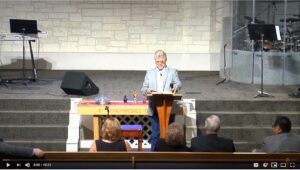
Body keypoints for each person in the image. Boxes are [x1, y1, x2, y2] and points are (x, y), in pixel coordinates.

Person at [141, 50, 182, 151]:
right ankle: (153, 158)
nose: (160, 63)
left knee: (170, 134)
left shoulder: (172, 71)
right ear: (155, 61)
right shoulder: (149, 72)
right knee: (156, 134)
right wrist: (147, 90)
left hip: (169, 107)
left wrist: (175, 87)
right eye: (157, 61)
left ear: (166, 60)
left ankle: (170, 156)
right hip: (155, 107)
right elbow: (143, 89)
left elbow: (179, 84)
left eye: (162, 62)